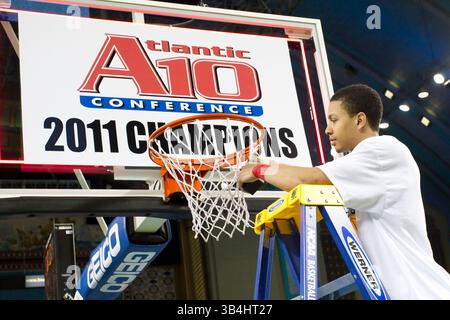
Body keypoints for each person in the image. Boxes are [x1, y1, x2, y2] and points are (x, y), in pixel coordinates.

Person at [238, 84, 450, 300]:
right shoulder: (367, 168)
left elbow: (307, 180)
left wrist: (259, 170)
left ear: (359, 120)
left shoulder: (381, 150)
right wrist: (269, 165)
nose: (327, 129)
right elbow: (309, 178)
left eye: (334, 120)